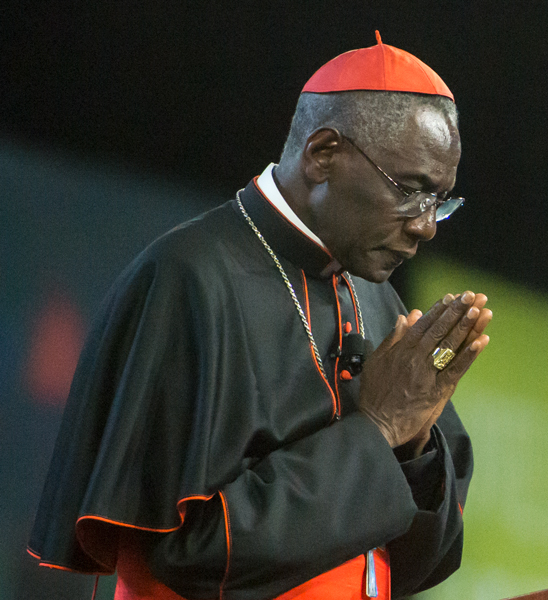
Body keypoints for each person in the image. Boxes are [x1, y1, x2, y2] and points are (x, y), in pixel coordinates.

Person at [27, 32, 491, 600]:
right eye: (411, 190)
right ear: (323, 154)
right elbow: (187, 553)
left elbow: (422, 561)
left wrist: (415, 442)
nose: (426, 226)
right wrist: (377, 431)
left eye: (440, 200)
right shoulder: (190, 277)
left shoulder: (377, 298)